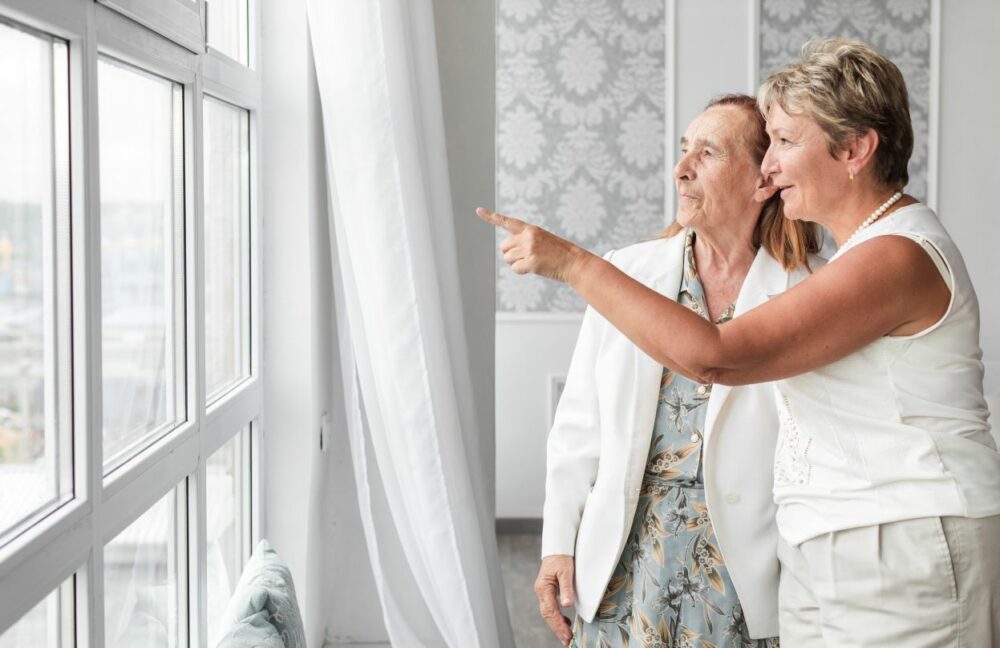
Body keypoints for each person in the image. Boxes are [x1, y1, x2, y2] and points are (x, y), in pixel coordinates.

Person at [482, 38, 1000, 647]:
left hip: (902, 545)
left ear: (855, 149)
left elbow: (715, 356)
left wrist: (573, 264)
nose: (771, 166)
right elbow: (582, 426)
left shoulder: (893, 256)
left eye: (785, 142)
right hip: (828, 553)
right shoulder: (862, 253)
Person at [535, 94, 823, 648]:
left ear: (763, 181)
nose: (681, 168)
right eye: (684, 149)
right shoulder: (626, 272)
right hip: (623, 559)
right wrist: (557, 544)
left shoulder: (811, 290)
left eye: (708, 153)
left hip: (743, 572)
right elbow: (578, 427)